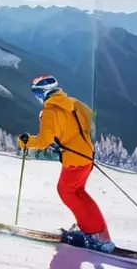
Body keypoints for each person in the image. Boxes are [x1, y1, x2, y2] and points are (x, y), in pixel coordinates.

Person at [17, 74, 115, 253]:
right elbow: (90, 118)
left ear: (44, 93)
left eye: (37, 94)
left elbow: (42, 141)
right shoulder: (73, 103)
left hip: (74, 160)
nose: (37, 98)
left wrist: (25, 142)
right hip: (87, 156)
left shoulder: (49, 112)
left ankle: (92, 234)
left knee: (67, 192)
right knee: (78, 193)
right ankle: (98, 232)